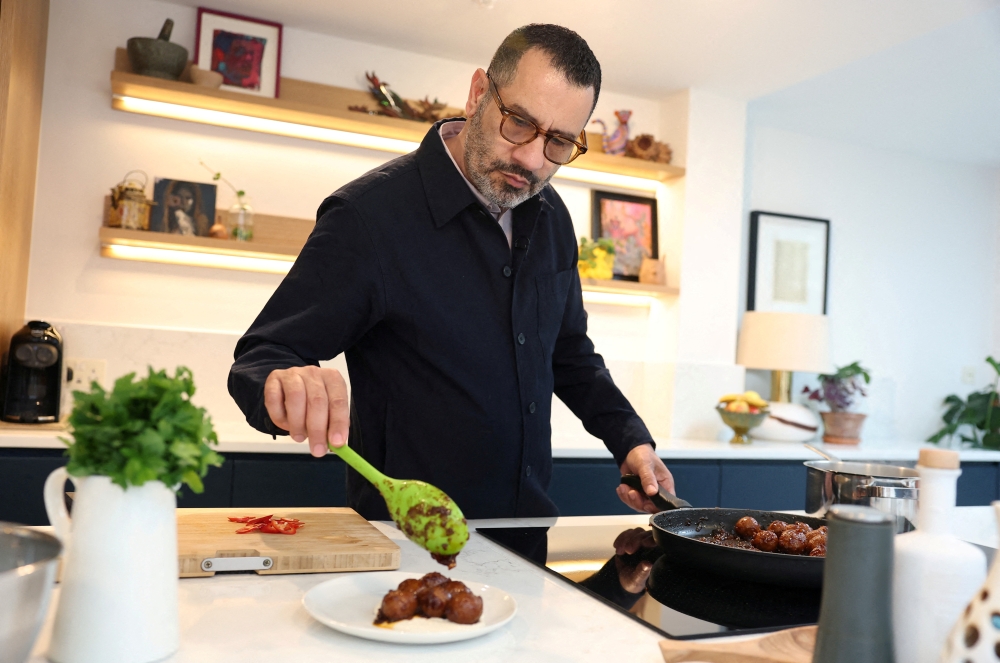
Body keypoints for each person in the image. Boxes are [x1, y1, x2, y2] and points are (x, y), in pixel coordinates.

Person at [228, 24, 674, 520]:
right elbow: (262, 356)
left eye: (559, 142)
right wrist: (288, 383)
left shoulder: (551, 216)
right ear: (479, 92)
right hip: (408, 548)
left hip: (528, 534)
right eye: (519, 123)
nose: (530, 158)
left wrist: (631, 441)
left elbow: (568, 354)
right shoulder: (369, 217)